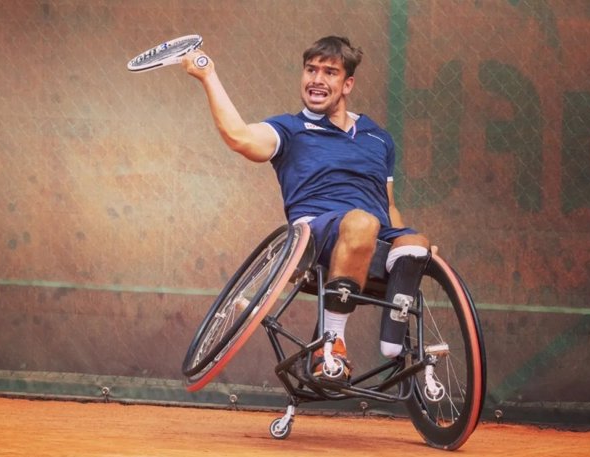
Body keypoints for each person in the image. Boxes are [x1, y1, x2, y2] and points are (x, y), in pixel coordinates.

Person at [183, 36, 430, 379]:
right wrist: (208, 76)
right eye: (311, 70)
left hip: (374, 231)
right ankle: (332, 342)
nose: (316, 79)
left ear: (347, 84)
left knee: (418, 244)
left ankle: (393, 339)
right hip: (316, 235)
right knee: (362, 222)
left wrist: (404, 241)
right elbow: (238, 136)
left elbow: (388, 206)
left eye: (329, 72)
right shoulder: (289, 129)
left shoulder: (379, 138)